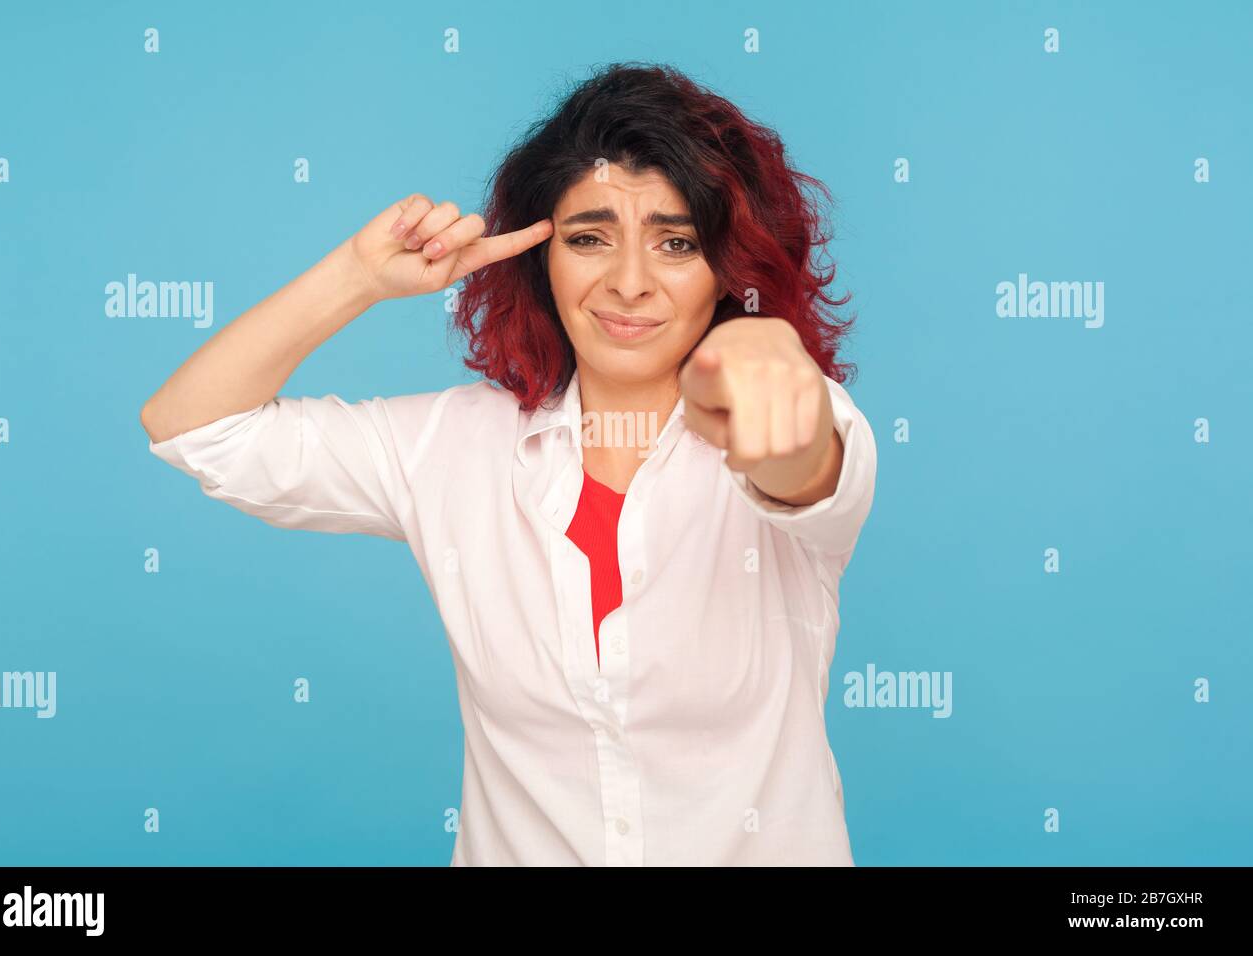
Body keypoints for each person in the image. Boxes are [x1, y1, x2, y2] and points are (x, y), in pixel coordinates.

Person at [140, 62, 877, 866]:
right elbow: (191, 427)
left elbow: (797, 457)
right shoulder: (452, 447)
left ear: (728, 270)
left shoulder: (805, 420)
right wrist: (356, 278)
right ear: (539, 258)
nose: (629, 283)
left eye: (676, 243)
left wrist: (760, 353)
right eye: (590, 238)